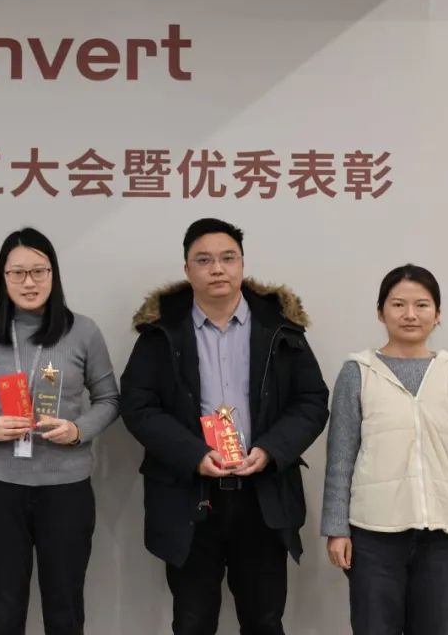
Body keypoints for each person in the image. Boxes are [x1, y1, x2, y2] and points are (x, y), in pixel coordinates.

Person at [120, 217, 329, 635]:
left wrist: (270, 450)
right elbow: (138, 405)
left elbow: (311, 401)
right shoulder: (161, 333)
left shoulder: (280, 328)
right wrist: (193, 454)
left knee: (265, 620)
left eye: (228, 258)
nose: (217, 269)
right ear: (187, 270)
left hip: (262, 495)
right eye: (204, 260)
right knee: (192, 621)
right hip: (190, 497)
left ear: (242, 264)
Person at [321, 263, 448, 635]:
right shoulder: (358, 372)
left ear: (437, 314)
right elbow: (340, 457)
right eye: (398, 304)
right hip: (373, 536)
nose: (410, 314)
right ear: (380, 312)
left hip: (445, 538)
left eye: (422, 305)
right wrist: (337, 529)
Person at [0, 227, 120, 635]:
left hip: (66, 490)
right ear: (3, 277)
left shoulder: (84, 331)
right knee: (2, 613)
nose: (28, 282)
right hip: (1, 489)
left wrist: (78, 430)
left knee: (64, 611)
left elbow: (109, 399)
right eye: (17, 273)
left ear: (54, 274)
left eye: (39, 271)